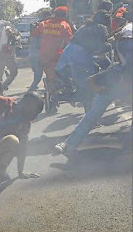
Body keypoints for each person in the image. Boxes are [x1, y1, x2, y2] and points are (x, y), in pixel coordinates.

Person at [55, 11, 133, 155]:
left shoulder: (120, 35)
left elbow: (116, 61)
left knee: (92, 114)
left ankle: (68, 143)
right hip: (112, 79)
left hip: (111, 79)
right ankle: (69, 143)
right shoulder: (117, 35)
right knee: (92, 111)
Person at [54, 10, 111, 112]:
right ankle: (89, 117)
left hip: (67, 58)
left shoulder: (86, 27)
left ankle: (58, 97)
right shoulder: (101, 28)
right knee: (86, 90)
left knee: (85, 88)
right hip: (79, 59)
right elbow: (102, 49)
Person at [31, 6, 73, 96]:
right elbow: (69, 42)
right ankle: (64, 89)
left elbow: (34, 33)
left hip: (43, 56)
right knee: (64, 74)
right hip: (57, 56)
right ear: (65, 15)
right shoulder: (64, 25)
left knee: (51, 76)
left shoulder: (44, 23)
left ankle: (53, 94)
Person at [28, 10, 52, 91]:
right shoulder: (45, 25)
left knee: (38, 74)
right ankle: (30, 92)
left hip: (33, 53)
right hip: (39, 53)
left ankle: (36, 89)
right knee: (42, 74)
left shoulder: (36, 25)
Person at [0, 23, 21, 92]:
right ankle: (4, 86)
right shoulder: (7, 28)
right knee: (14, 71)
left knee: (0, 73)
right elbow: (13, 37)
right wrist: (19, 36)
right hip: (5, 52)